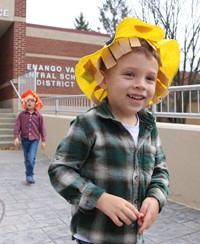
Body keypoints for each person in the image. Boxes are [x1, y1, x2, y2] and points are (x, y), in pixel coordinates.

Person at [48, 17, 180, 244]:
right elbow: (60, 170)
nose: (141, 84)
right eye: (129, 74)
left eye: (150, 78)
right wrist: (99, 198)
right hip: (93, 236)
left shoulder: (149, 126)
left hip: (133, 237)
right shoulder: (89, 124)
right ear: (104, 78)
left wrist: (155, 199)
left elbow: (160, 171)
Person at [14, 89, 46, 184]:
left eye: (32, 100)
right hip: (24, 140)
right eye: (28, 100)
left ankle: (30, 175)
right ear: (25, 102)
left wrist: (43, 141)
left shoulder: (39, 116)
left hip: (35, 140)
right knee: (27, 159)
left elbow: (42, 128)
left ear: (35, 102)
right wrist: (16, 137)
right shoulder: (21, 115)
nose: (30, 102)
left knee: (31, 158)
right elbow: (17, 126)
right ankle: (28, 172)